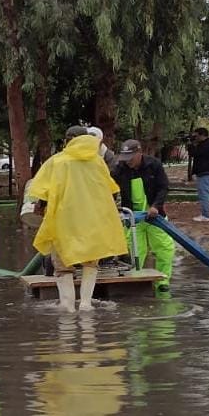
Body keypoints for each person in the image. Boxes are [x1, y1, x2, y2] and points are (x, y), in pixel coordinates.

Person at [29, 126, 130, 312]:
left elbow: (42, 192)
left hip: (63, 221)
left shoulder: (57, 162)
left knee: (62, 264)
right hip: (91, 221)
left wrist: (40, 208)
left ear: (67, 141)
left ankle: (67, 306)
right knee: (90, 262)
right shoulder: (97, 162)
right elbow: (111, 191)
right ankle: (85, 303)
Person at [112, 139, 175, 291]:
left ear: (139, 153)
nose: (128, 162)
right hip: (132, 217)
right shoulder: (120, 169)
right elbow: (110, 188)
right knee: (135, 250)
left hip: (155, 216)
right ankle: (137, 282)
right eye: (125, 159)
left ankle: (163, 281)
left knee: (164, 248)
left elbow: (163, 187)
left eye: (131, 158)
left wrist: (155, 206)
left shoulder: (154, 165)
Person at [186, 127, 209, 222]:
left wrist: (190, 144)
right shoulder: (204, 144)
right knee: (203, 194)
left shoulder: (207, 145)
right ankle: (205, 214)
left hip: (206, 173)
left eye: (196, 136)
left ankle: (206, 215)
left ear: (202, 135)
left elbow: (194, 153)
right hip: (204, 173)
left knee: (204, 194)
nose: (195, 138)